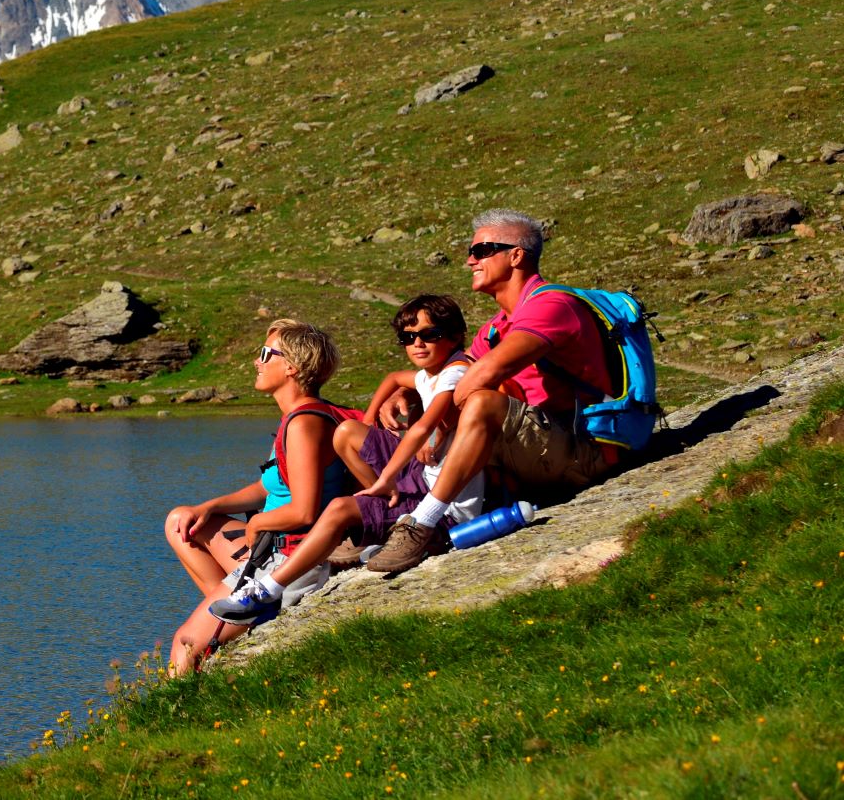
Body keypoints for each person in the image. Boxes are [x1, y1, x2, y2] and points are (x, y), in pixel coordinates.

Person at [363, 209, 620, 575]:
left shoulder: (551, 305)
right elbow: (454, 371)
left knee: (482, 400)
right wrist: (411, 394)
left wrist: (436, 423)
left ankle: (422, 524)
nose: (470, 260)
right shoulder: (497, 327)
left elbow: (485, 372)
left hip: (584, 454)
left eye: (482, 250)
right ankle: (389, 518)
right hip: (537, 452)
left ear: (516, 256)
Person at [204, 297, 484, 624]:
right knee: (348, 433)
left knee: (339, 507)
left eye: (429, 334)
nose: (417, 343)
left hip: (443, 509)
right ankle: (381, 518)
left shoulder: (455, 372)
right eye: (407, 338)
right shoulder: (428, 375)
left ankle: (267, 589)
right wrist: (369, 418)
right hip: (422, 486)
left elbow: (423, 428)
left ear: (455, 335)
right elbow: (394, 378)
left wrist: (386, 477)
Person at [159, 318, 349, 675]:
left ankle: (174, 717)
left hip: (289, 555)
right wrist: (210, 506)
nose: (256, 362)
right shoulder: (302, 418)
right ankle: (228, 614)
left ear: (291, 366)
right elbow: (270, 486)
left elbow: (306, 510)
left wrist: (259, 521)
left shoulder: (305, 424)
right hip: (271, 547)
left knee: (185, 642)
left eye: (266, 354)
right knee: (181, 522)